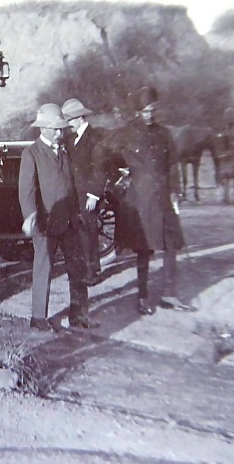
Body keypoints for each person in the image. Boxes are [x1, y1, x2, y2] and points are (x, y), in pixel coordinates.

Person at [93, 86, 194, 315]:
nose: (150, 115)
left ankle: (169, 294)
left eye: (153, 110)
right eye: (146, 111)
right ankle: (142, 296)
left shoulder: (164, 133)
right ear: (138, 111)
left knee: (171, 245)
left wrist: (175, 192)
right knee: (144, 249)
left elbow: (172, 165)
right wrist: (118, 172)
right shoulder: (126, 132)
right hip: (142, 200)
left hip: (164, 198)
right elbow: (100, 151)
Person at [18, 103, 94, 331]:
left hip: (70, 221)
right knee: (44, 268)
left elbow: (70, 184)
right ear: (44, 129)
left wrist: (77, 213)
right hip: (46, 222)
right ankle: (38, 318)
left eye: (62, 129)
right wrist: (30, 216)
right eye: (56, 129)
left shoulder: (64, 151)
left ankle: (78, 316)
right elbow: (27, 190)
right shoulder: (31, 153)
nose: (61, 133)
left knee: (77, 268)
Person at [62, 98, 106, 285]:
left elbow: (100, 168)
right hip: (75, 194)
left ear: (80, 118)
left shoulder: (95, 138)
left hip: (88, 196)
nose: (68, 124)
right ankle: (83, 269)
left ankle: (93, 272)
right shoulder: (71, 138)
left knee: (89, 232)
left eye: (70, 119)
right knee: (78, 233)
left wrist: (95, 195)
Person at [213, 108, 234, 205]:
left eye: (231, 117)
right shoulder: (223, 132)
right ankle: (226, 198)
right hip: (227, 157)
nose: (230, 120)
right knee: (227, 178)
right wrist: (221, 155)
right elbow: (219, 145)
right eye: (229, 117)